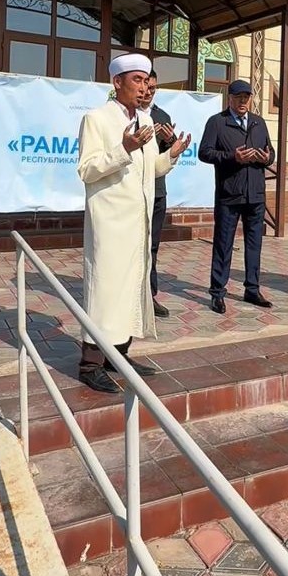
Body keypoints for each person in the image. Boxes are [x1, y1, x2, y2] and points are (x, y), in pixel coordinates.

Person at [77, 52, 190, 392]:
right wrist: (123, 148)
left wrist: (172, 154)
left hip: (138, 223)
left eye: (146, 81)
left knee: (130, 290)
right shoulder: (96, 119)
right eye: (137, 80)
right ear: (117, 82)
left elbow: (151, 169)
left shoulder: (144, 120)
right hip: (110, 224)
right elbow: (87, 170)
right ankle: (90, 363)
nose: (144, 88)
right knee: (104, 291)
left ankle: (118, 355)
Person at [198, 79, 275, 314]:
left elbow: (270, 152)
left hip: (255, 195)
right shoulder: (217, 122)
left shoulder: (258, 123)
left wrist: (267, 158)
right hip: (229, 194)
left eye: (246, 97)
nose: (243, 101)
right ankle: (217, 293)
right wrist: (233, 157)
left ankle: (252, 289)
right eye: (238, 97)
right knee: (223, 244)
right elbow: (205, 152)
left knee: (254, 244)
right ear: (229, 98)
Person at [140, 70, 176, 318]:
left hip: (157, 190)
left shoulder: (162, 116)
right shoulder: (125, 114)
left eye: (153, 88)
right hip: (133, 191)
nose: (148, 92)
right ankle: (129, 296)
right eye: (145, 86)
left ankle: (149, 296)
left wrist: (170, 140)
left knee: (152, 245)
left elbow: (166, 154)